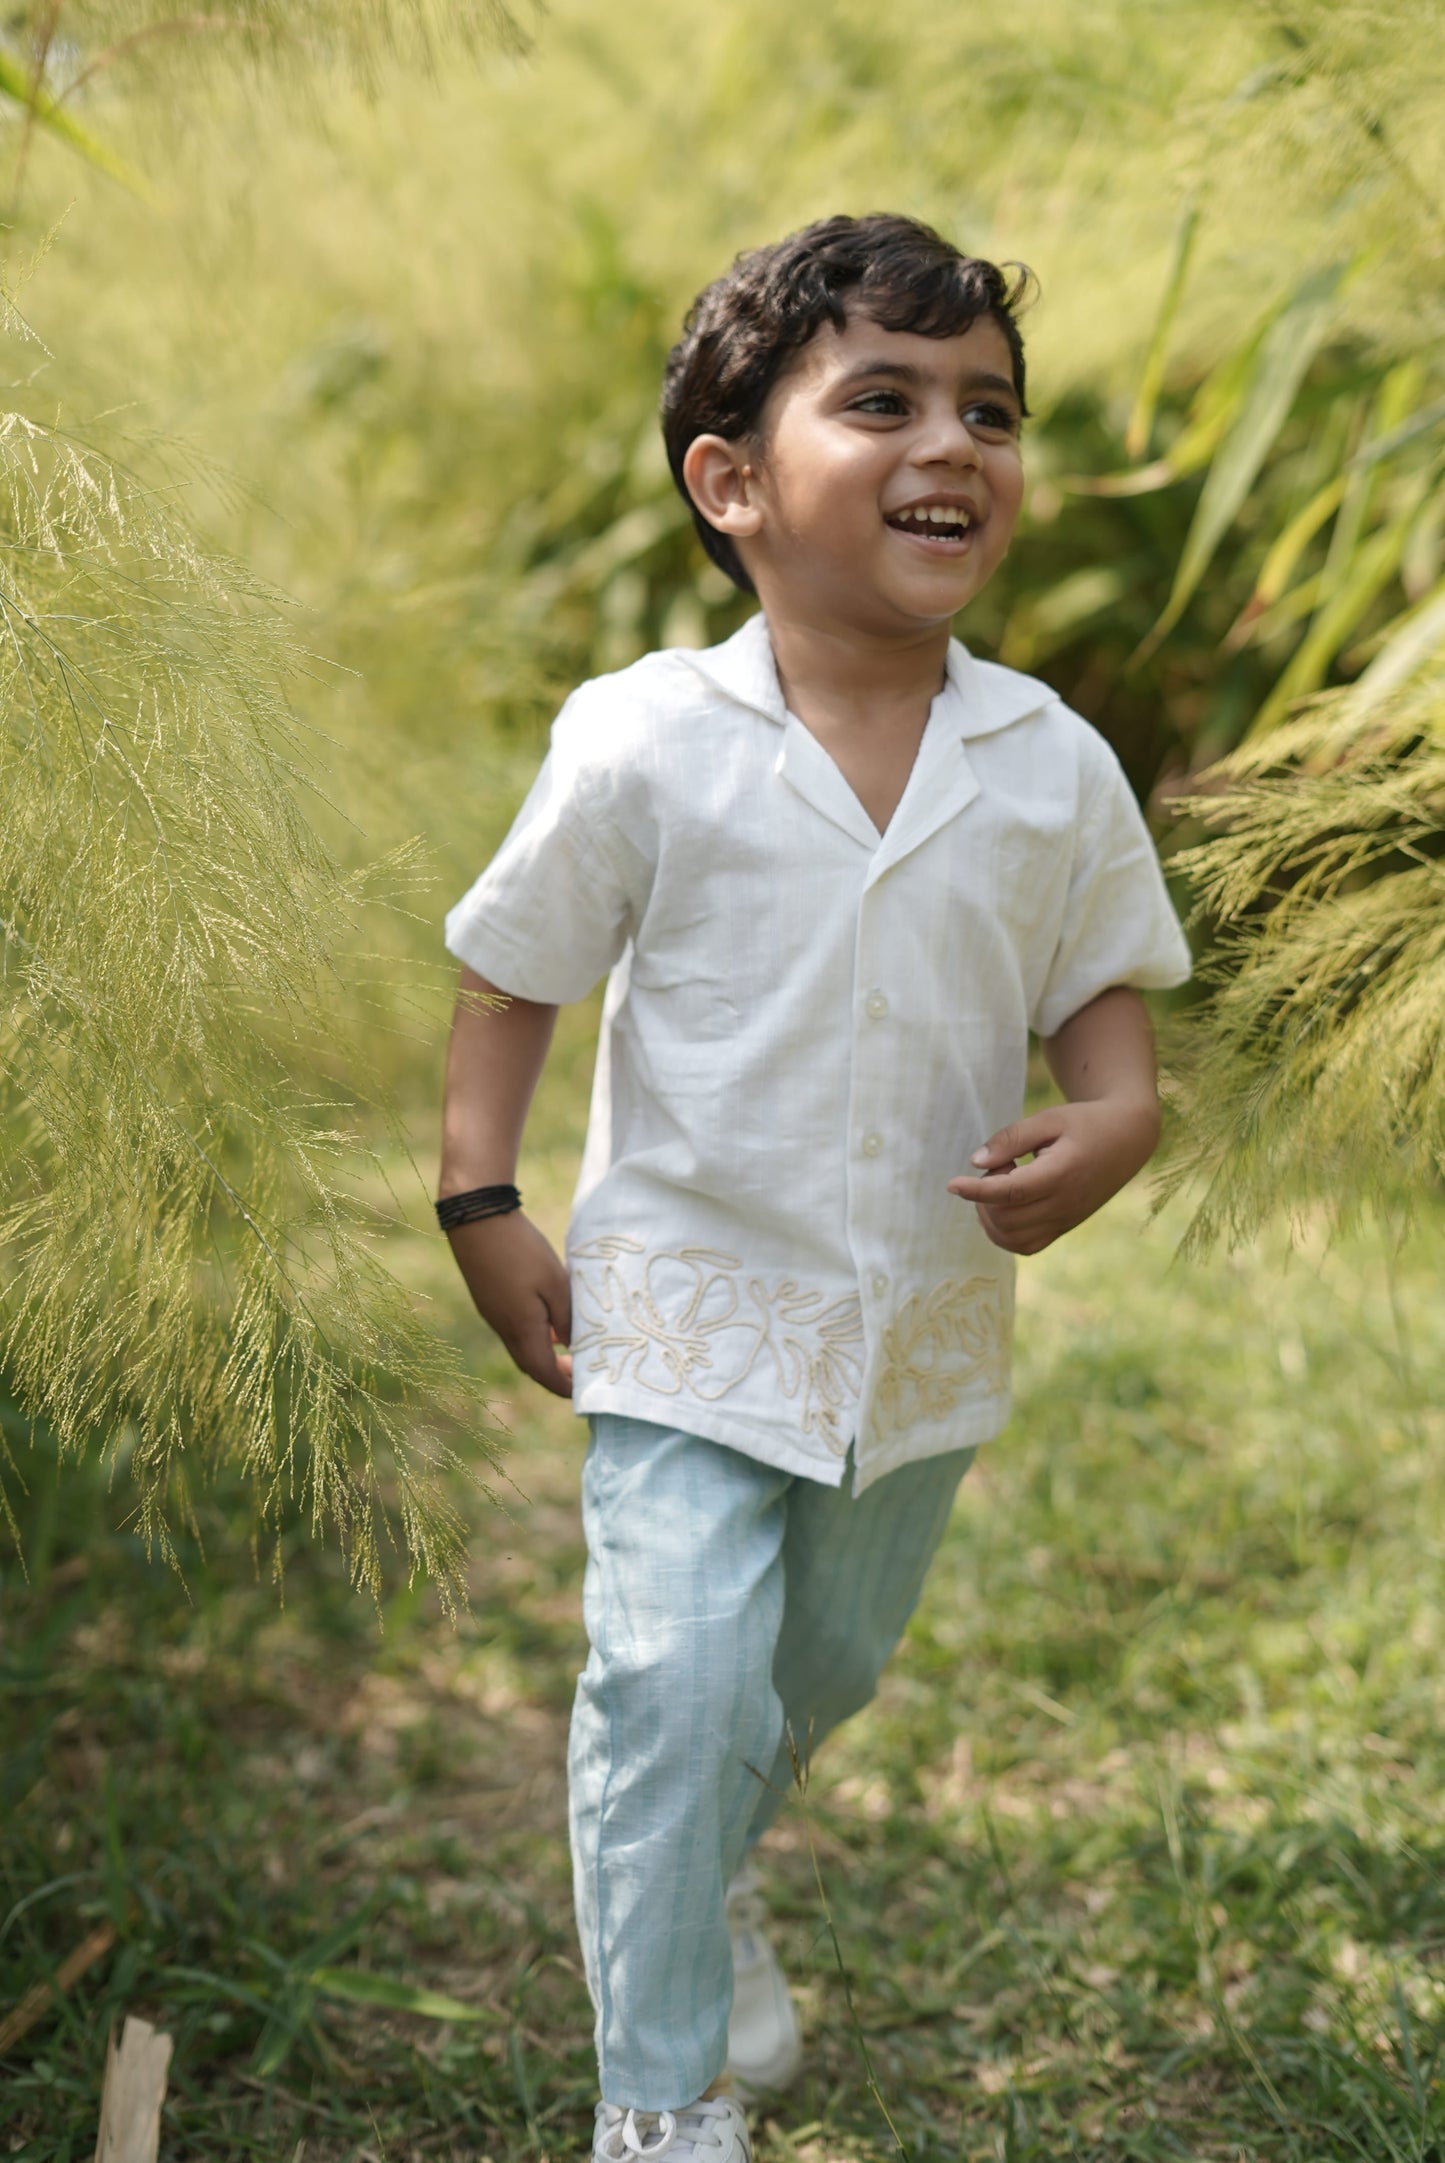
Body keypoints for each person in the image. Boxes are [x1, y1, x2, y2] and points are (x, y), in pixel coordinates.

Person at [438, 213, 1190, 2163]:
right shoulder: (645, 743)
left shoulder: (1050, 766)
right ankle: (661, 2095)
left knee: (815, 1672)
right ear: (734, 482)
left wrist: (1114, 1126)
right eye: (885, 400)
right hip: (686, 1299)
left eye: (991, 411)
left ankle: (715, 1867)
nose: (957, 442)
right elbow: (516, 965)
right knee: (673, 1686)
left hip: (920, 1332)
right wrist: (479, 1196)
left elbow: (1107, 1027)